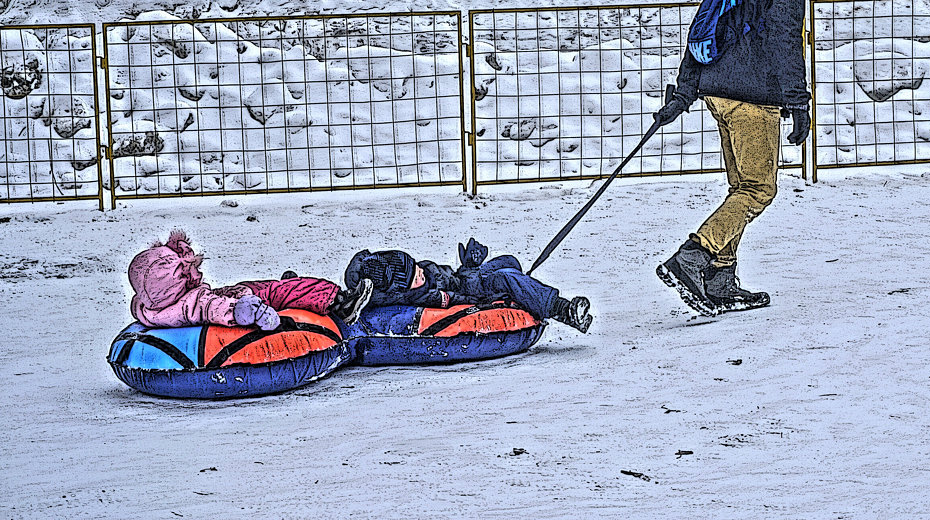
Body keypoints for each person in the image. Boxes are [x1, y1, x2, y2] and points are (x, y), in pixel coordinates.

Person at [652, 0, 829, 315]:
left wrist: (685, 89)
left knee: (740, 187)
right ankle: (695, 256)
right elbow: (784, 34)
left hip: (718, 91)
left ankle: (721, 279)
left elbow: (707, 23)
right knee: (759, 188)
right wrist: (798, 100)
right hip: (752, 97)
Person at [128, 230, 373, 330]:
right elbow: (219, 309)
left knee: (265, 285)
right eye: (190, 272)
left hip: (232, 295)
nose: (198, 275)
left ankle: (298, 290)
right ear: (177, 281)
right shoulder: (195, 303)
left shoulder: (149, 306)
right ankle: (338, 302)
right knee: (278, 292)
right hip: (246, 304)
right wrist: (251, 312)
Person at [344, 238, 593, 333]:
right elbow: (457, 298)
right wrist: (481, 299)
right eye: (417, 277)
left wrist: (468, 264)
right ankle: (564, 310)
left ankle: (526, 292)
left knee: (510, 261)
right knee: (506, 275)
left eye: (418, 267)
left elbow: (363, 271)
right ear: (408, 290)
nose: (421, 272)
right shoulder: (428, 296)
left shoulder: (385, 269)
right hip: (472, 289)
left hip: (465, 277)